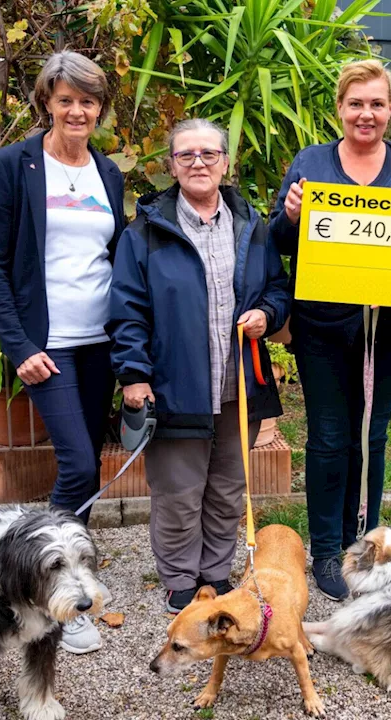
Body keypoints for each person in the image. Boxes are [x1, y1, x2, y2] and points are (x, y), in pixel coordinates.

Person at [269, 59, 391, 601]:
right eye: (356, 103)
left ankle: (360, 542)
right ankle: (324, 547)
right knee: (329, 437)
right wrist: (292, 216)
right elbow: (277, 242)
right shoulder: (311, 162)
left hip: (388, 329)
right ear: (340, 108)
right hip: (322, 326)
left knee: (373, 435)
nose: (367, 114)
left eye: (377, 104)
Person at [109, 119, 290, 614]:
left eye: (209, 154)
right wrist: (134, 374)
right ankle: (181, 579)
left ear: (225, 163)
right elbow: (127, 309)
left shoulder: (252, 226)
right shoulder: (145, 232)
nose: (198, 164)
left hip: (238, 387)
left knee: (229, 489)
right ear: (171, 165)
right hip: (174, 386)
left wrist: (267, 313)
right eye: (186, 155)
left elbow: (277, 287)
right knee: (178, 492)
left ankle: (216, 571)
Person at [0, 51, 125, 654]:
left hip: (100, 342)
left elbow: (114, 256)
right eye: (65, 99)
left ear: (99, 108)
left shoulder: (108, 172)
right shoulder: (15, 165)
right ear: (47, 103)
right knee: (77, 466)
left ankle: (64, 582)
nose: (77, 110)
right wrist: (19, 347)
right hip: (48, 348)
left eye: (87, 100)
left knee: (87, 457)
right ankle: (50, 592)